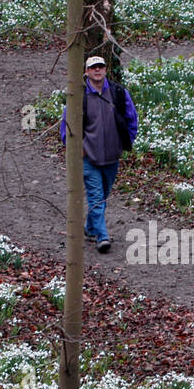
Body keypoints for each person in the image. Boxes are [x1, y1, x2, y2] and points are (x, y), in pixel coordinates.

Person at [59, 54, 138, 253]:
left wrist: (125, 142)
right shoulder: (79, 97)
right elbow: (65, 127)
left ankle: (89, 228)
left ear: (105, 70)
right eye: (93, 67)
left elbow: (131, 119)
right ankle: (102, 237)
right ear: (86, 71)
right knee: (96, 197)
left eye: (100, 67)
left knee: (104, 195)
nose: (97, 70)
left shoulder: (118, 92)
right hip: (89, 158)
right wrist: (76, 149)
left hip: (112, 156)